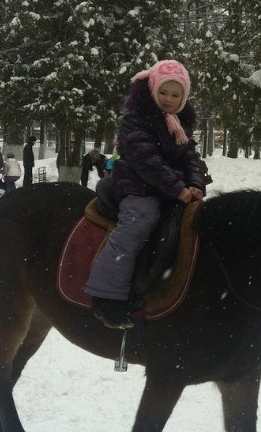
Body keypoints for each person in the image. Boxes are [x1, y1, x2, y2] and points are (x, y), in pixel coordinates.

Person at [85, 59, 204, 329]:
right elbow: (145, 161)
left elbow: (190, 159)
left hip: (172, 190)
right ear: (152, 90)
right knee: (138, 223)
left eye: (176, 95)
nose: (168, 99)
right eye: (163, 92)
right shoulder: (135, 119)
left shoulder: (180, 124)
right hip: (138, 187)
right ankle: (106, 296)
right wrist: (178, 188)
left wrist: (196, 184)